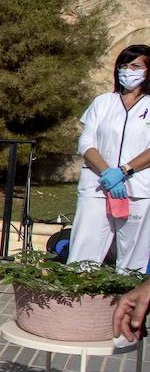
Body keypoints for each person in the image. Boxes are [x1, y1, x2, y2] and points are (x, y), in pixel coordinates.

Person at [68, 44, 150, 272]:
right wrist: (106, 172)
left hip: (138, 189)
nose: (127, 71)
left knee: (133, 257)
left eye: (135, 66)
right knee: (83, 251)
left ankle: (125, 302)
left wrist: (123, 171)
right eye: (123, 66)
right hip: (97, 185)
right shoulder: (103, 102)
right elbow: (86, 143)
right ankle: (77, 301)